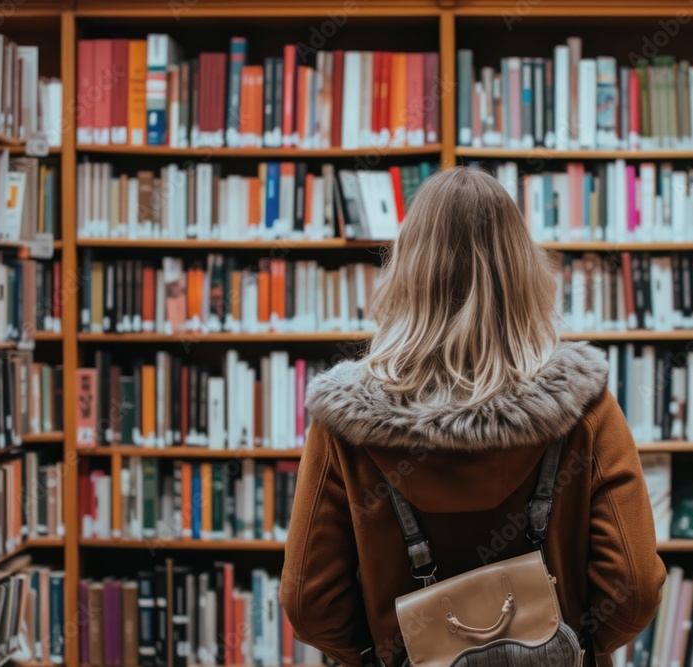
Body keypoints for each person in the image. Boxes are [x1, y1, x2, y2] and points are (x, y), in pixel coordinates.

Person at [280, 166, 666, 666]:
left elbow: (308, 605)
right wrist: (578, 645)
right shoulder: (585, 409)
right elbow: (634, 588)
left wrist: (380, 650)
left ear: (407, 272)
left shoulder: (344, 426)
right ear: (522, 272)